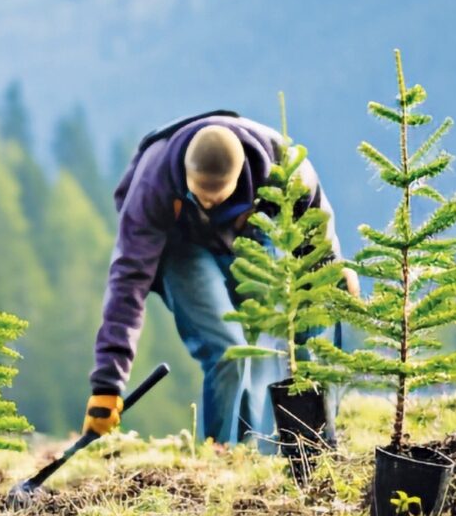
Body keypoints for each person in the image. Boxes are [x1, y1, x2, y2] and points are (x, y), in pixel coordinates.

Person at [83, 111, 359, 447]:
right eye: (200, 194)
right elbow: (127, 281)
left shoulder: (286, 170)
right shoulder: (153, 183)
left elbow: (318, 241)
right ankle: (224, 453)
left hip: (253, 233)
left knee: (280, 338)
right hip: (180, 245)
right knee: (228, 352)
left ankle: (310, 442)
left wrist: (333, 273)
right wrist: (107, 387)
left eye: (216, 196)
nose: (208, 202)